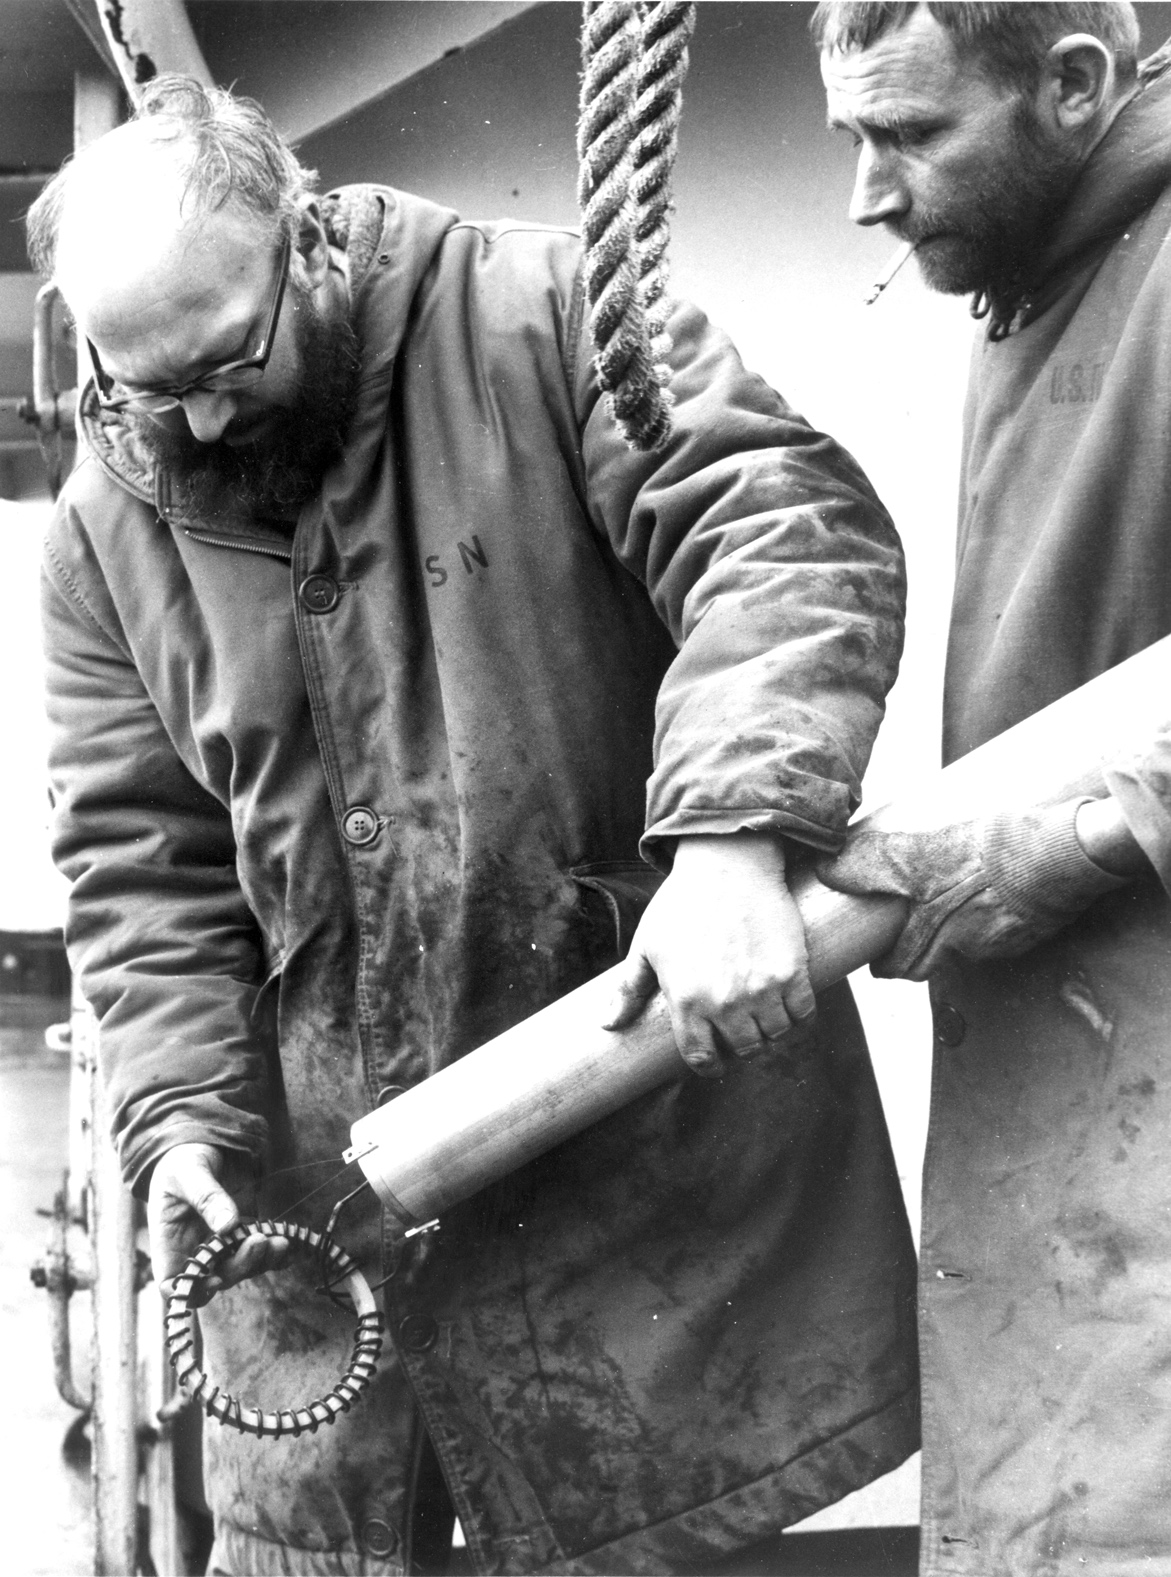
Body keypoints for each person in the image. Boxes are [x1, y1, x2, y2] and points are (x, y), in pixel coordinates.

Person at [32, 76, 918, 1576]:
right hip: (318, 1267)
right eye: (143, 385)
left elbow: (779, 529)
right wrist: (180, 1111)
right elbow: (144, 866)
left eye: (224, 360)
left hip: (650, 1220)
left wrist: (733, 832)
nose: (192, 416)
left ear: (306, 241)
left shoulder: (549, 317)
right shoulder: (101, 527)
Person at [814, 2, 1171, 1570]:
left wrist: (1084, 830)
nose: (867, 194)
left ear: (1077, 84)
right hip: (1077, 1125)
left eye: (909, 135)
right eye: (848, 141)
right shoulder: (1040, 279)